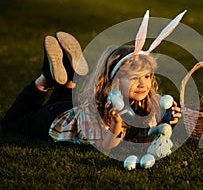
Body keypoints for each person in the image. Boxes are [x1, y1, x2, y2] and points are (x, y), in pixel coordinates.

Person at [1, 10, 185, 150]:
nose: (143, 84)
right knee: (10, 124)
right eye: (135, 78)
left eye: (147, 76)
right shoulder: (104, 110)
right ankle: (46, 79)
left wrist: (164, 123)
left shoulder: (147, 105)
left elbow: (144, 141)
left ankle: (69, 77)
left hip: (67, 107)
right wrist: (116, 125)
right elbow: (106, 146)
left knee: (60, 100)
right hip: (51, 120)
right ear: (116, 81)